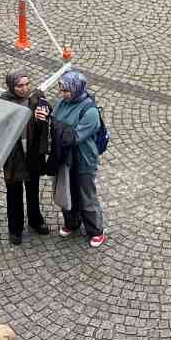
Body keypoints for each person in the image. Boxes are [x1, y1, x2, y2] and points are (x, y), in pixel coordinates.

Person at [50, 69, 106, 248]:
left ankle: (96, 230)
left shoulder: (90, 111)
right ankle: (72, 222)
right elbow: (54, 123)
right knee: (66, 191)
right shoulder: (62, 103)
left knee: (86, 195)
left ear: (77, 89)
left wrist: (56, 128)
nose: (63, 94)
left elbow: (73, 137)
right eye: (62, 90)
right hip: (64, 157)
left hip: (83, 159)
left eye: (67, 90)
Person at [0, 72, 52, 244]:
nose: (24, 88)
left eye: (27, 84)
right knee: (14, 193)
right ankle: (15, 229)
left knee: (33, 190)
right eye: (20, 86)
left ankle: (35, 220)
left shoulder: (35, 97)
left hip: (32, 153)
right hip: (13, 155)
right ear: (11, 86)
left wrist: (44, 113)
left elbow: (47, 111)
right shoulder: (3, 103)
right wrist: (31, 117)